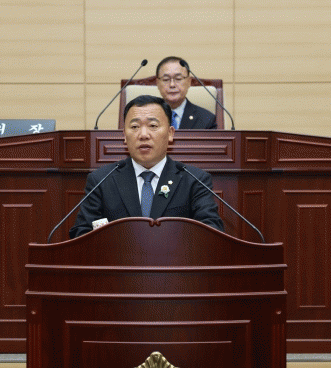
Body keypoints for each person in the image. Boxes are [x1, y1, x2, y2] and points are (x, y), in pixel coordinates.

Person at [69, 95, 224, 238]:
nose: (143, 134)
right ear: (124, 135)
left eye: (153, 125)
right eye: (134, 127)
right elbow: (81, 233)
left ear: (170, 133)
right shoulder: (101, 180)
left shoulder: (194, 180)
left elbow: (212, 231)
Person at [155, 56, 217, 130]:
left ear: (189, 82)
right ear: (157, 83)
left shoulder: (207, 119)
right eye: (166, 79)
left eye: (178, 79)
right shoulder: (146, 116)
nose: (172, 85)